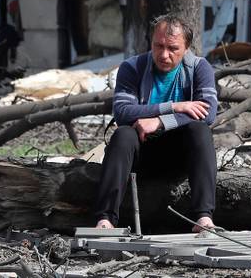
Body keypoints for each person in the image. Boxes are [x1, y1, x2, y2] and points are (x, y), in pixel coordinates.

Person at [93, 14, 218, 232]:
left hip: (181, 154)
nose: (164, 54)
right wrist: (173, 107)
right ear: (151, 42)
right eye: (158, 46)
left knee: (199, 129)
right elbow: (122, 112)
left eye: (172, 48)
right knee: (123, 134)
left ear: (186, 48)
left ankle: (204, 217)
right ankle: (106, 218)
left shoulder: (200, 68)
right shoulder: (133, 67)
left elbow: (207, 113)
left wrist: (159, 122)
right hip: (141, 154)